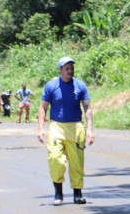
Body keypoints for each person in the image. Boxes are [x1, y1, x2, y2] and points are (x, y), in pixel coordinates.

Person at [38, 56, 94, 206]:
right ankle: (58, 193)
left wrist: (90, 129)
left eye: (72, 68)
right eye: (67, 68)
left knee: (77, 163)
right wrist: (41, 129)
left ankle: (77, 194)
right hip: (57, 126)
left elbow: (87, 108)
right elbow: (43, 108)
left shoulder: (80, 85)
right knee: (56, 160)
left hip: (76, 126)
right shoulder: (51, 85)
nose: (70, 71)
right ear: (60, 70)